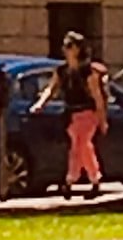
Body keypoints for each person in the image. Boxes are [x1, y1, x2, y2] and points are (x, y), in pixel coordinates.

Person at [34, 31, 111, 197]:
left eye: (69, 46)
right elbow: (51, 89)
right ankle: (95, 180)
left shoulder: (88, 72)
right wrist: (40, 104)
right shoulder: (62, 70)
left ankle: (70, 181)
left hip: (88, 112)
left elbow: (97, 96)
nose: (65, 49)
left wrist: (102, 119)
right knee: (83, 146)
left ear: (77, 49)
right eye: (65, 46)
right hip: (71, 114)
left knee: (79, 145)